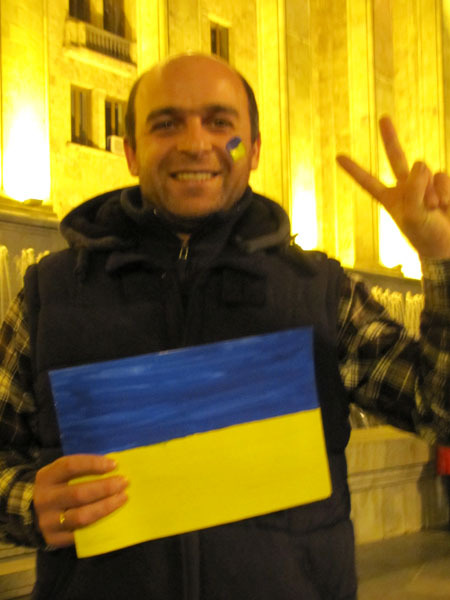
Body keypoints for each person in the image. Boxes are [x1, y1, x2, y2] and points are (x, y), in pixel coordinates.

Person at [0, 53, 448, 600]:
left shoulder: (320, 293)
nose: (195, 143)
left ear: (253, 149)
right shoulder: (50, 294)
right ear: (132, 152)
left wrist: (443, 261)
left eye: (220, 123)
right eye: (166, 124)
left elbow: (439, 408)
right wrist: (27, 502)